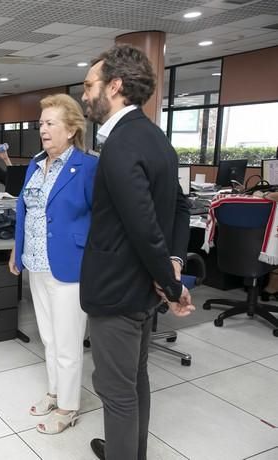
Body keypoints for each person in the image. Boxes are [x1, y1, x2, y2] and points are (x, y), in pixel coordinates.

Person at [80, 44, 193, 460]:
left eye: (90, 85)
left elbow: (142, 227)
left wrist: (170, 282)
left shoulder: (121, 145)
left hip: (118, 292)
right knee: (133, 378)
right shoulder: (154, 137)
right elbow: (179, 208)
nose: (84, 93)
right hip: (142, 293)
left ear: (115, 86)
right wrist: (173, 268)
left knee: (116, 392)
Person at [8, 94, 98, 434]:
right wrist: (17, 249)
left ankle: (69, 405)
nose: (42, 129)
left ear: (71, 128)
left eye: (50, 123)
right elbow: (25, 208)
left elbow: (101, 219)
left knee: (68, 341)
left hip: (69, 266)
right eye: (41, 123)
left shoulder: (88, 167)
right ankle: (54, 390)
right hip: (35, 263)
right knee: (48, 338)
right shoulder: (34, 162)